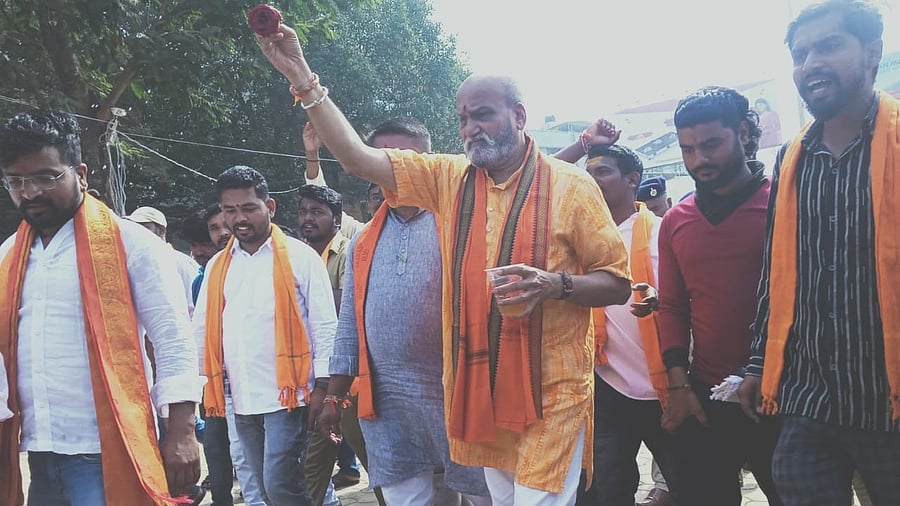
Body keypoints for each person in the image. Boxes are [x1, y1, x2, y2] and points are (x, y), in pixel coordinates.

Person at [257, 26, 632, 505]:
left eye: (483, 114)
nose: (471, 127)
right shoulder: (449, 179)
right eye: (463, 119)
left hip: (552, 391)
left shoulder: (573, 187)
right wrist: (301, 75)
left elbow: (617, 284)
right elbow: (355, 157)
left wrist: (553, 285)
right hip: (479, 389)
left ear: (518, 116)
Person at [739, 2, 900, 505]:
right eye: (800, 53)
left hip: (887, 401)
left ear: (872, 52)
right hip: (810, 399)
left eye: (828, 46)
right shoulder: (790, 159)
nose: (810, 64)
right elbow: (778, 273)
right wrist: (757, 365)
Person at [0, 110, 204, 505]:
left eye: (46, 177)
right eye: (15, 181)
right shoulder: (9, 257)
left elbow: (173, 338)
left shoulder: (132, 244)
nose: (29, 192)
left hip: (109, 447)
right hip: (39, 449)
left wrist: (181, 430)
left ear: (81, 173)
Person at [318, 117, 491, 506]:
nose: (397, 168)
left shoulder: (467, 221)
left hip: (461, 395)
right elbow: (350, 323)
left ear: (430, 160)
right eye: (384, 158)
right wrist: (335, 396)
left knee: (484, 495)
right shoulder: (363, 238)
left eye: (407, 157)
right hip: (389, 404)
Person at [657, 87, 781, 506]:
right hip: (707, 397)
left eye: (711, 145)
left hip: (783, 396)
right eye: (687, 149)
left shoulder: (785, 206)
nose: (699, 161)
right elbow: (673, 307)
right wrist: (679, 386)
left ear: (744, 133)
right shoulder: (676, 220)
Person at [193, 166, 337, 506]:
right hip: (240, 397)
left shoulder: (301, 258)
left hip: (289, 397)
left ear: (269, 207)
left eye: (248, 208)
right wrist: (198, 388)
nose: (239, 218)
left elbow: (325, 325)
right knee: (259, 487)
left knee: (280, 485)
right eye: (230, 211)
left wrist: (326, 389)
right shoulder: (218, 266)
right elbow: (201, 330)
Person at [558, 142, 676, 506]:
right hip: (604, 384)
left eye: (603, 171)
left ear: (632, 180)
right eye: (588, 173)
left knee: (696, 485)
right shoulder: (572, 237)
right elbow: (535, 176)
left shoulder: (664, 231)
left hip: (670, 386)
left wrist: (665, 301)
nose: (592, 180)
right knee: (604, 489)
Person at [126, 205, 201, 314]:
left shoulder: (181, 262)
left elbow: (195, 307)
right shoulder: (135, 265)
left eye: (144, 227)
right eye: (135, 227)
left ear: (161, 230)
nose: (138, 232)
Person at [303, 122, 366, 238]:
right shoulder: (362, 232)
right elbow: (319, 194)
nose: (380, 202)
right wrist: (312, 153)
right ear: (368, 205)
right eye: (376, 197)